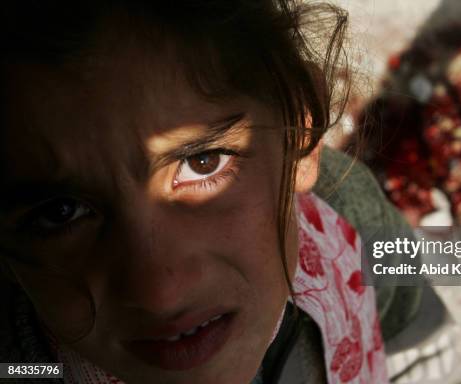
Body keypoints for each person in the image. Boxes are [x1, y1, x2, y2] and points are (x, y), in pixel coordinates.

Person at [0, 1, 438, 383]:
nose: (161, 294)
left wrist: (409, 347)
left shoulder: (344, 213)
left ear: (301, 133)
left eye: (203, 162)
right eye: (59, 212)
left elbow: (402, 288)